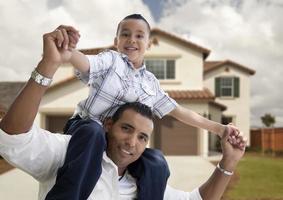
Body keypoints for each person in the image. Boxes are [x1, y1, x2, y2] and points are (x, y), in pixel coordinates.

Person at [0, 16, 246, 200]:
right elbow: (85, 62)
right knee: (93, 133)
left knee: (156, 161)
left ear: (148, 44)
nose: (132, 39)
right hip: (85, 131)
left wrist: (219, 128)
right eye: (125, 34)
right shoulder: (111, 61)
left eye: (139, 36)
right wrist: (64, 53)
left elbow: (180, 112)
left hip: (106, 138)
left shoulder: (150, 84)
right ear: (117, 41)